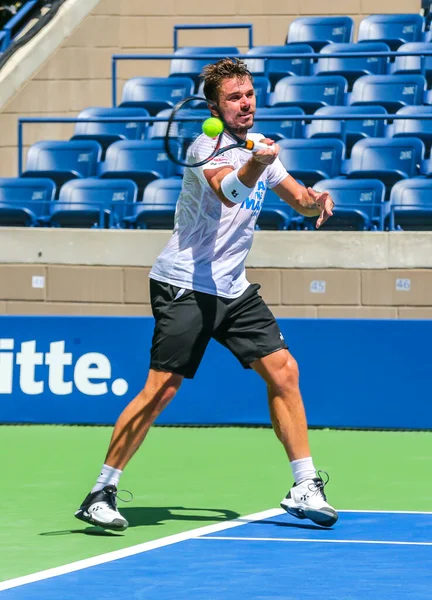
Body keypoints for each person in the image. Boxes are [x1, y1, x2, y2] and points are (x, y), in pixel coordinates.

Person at [75, 58, 338, 531]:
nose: (246, 103)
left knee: (284, 371)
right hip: (185, 283)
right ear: (215, 105)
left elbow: (297, 200)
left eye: (250, 94)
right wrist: (256, 164)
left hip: (232, 287)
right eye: (235, 97)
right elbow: (230, 194)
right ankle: (100, 493)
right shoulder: (205, 147)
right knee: (162, 389)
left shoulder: (262, 148)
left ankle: (303, 485)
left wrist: (313, 199)